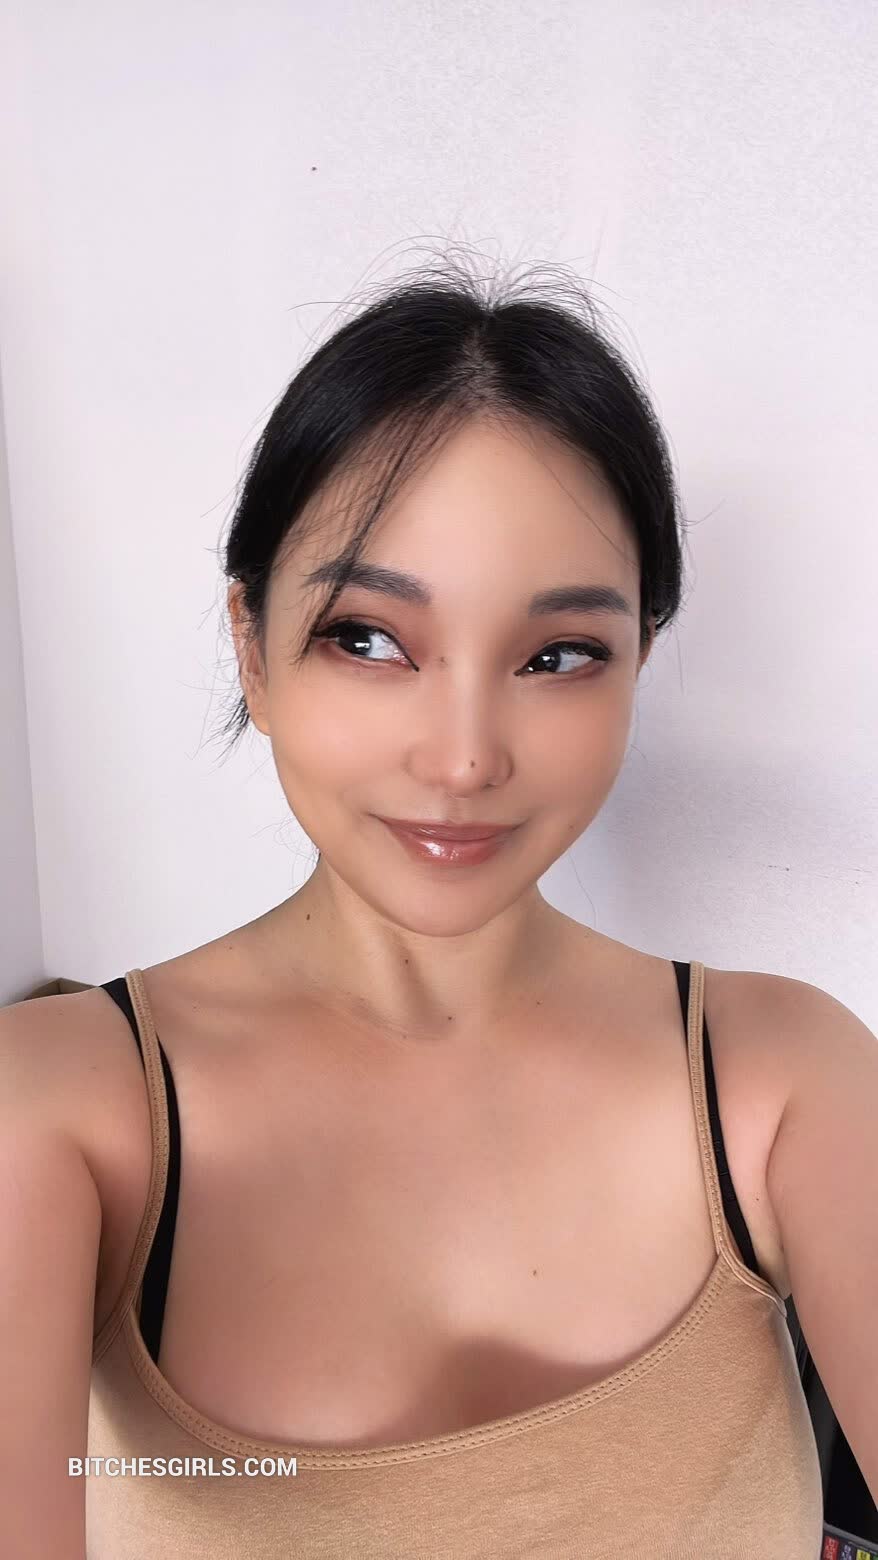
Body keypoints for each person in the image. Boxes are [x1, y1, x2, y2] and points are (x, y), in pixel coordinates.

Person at [2, 256, 874, 1559]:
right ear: (250, 645)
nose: (464, 759)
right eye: (367, 637)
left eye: (559, 655)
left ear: (637, 662)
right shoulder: (61, 1109)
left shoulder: (781, 1078)